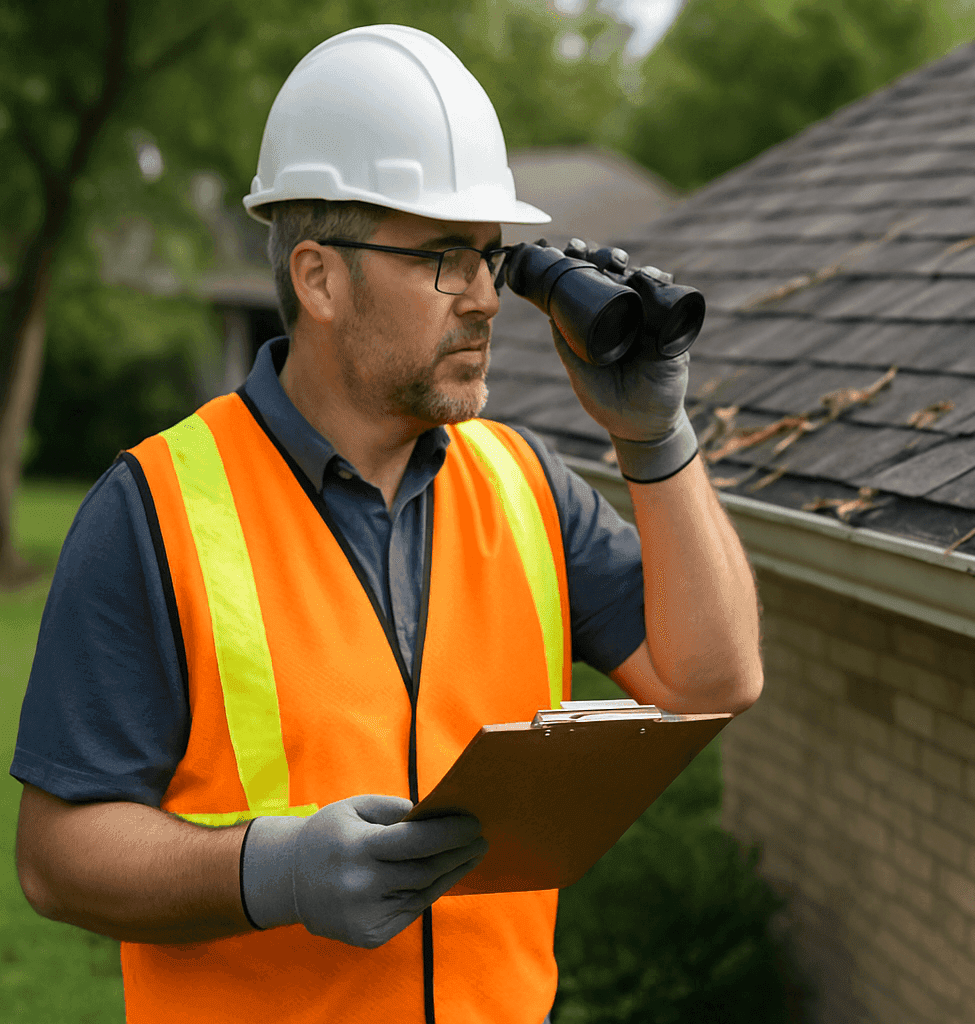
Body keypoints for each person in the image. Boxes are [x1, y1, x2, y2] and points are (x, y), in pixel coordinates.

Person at [9, 24, 761, 1024]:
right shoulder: (156, 508)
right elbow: (58, 859)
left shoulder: (527, 485)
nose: (489, 300)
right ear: (318, 278)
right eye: (447, 259)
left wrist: (656, 438)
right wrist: (266, 872)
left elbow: (714, 681)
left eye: (494, 260)